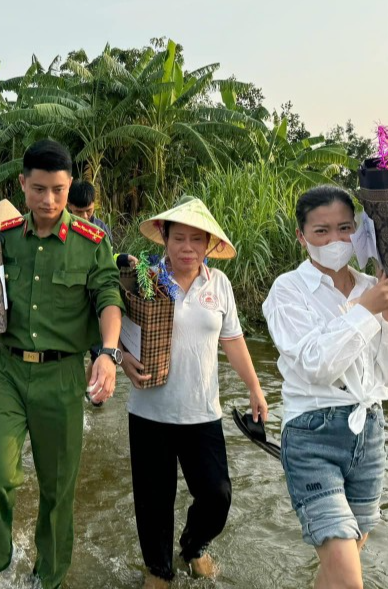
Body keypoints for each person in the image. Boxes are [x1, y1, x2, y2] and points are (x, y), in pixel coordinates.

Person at [0, 139, 124, 589]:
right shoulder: (4, 235)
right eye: (38, 189)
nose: (48, 201)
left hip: (62, 378)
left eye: (57, 190)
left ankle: (47, 577)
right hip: (8, 373)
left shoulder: (92, 243)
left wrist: (108, 354)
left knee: (57, 492)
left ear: (70, 185)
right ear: (22, 184)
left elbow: (108, 296)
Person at [262, 185, 388, 589]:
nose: (335, 240)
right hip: (311, 436)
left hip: (369, 434)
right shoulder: (287, 291)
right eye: (321, 231)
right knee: (349, 578)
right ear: (301, 236)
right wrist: (368, 308)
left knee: (342, 566)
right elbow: (316, 364)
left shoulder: (372, 286)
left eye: (344, 228)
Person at [119, 196, 268, 588]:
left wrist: (255, 389)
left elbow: (233, 341)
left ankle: (194, 545)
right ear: (164, 239)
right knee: (154, 502)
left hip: (202, 412)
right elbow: (117, 327)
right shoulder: (145, 278)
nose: (187, 248)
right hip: (150, 411)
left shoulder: (219, 285)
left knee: (217, 495)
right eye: (179, 238)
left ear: (209, 246)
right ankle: (158, 570)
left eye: (196, 240)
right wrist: (119, 354)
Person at [67, 180, 136, 407]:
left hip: (98, 304)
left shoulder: (102, 229)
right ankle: (75, 398)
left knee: (100, 353)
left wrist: (123, 258)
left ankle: (90, 396)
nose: (85, 217)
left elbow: (109, 262)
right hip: (74, 305)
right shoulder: (62, 230)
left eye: (89, 211)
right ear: (67, 206)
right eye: (78, 212)